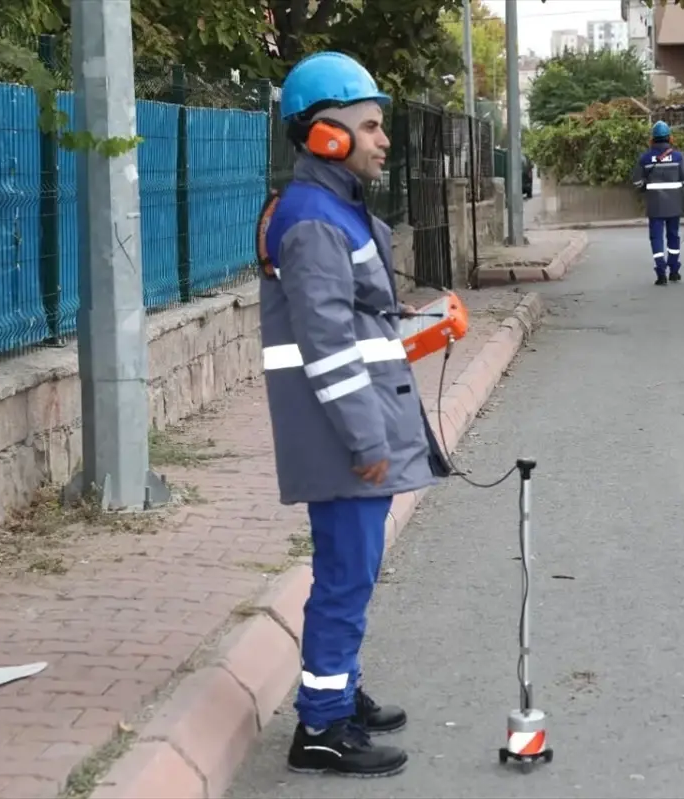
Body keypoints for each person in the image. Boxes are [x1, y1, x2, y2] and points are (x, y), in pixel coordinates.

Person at [256, 51, 451, 778]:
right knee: (345, 574)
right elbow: (328, 344)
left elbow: (351, 314)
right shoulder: (313, 218)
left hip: (346, 427)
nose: (384, 139)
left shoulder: (333, 208)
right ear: (326, 136)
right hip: (341, 435)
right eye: (369, 126)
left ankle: (337, 688)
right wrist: (367, 439)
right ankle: (321, 727)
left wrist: (403, 318)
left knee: (353, 571)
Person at [631, 120, 684, 286]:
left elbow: (636, 182)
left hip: (655, 206)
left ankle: (661, 273)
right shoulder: (677, 157)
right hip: (674, 205)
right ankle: (674, 271)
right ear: (670, 138)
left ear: (652, 139)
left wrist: (645, 186)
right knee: (673, 237)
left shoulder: (645, 158)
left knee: (656, 238)